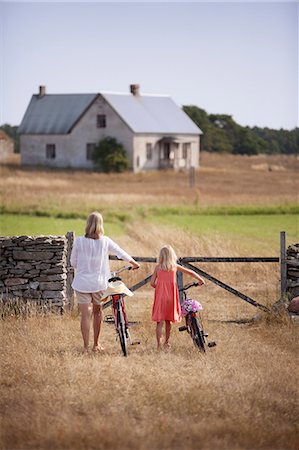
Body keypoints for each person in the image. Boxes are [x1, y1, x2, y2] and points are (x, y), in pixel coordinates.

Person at [70, 211, 139, 353]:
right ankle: (96, 345)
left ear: (88, 224)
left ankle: (85, 347)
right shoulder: (105, 240)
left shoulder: (79, 241)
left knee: (85, 315)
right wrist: (133, 262)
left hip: (82, 283)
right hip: (99, 283)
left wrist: (84, 267)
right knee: (97, 313)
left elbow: (73, 262)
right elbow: (120, 252)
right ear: (100, 224)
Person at [150, 245, 205, 349]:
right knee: (168, 321)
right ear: (172, 255)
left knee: (159, 322)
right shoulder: (174, 267)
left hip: (160, 298)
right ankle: (166, 342)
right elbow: (191, 272)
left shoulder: (158, 268)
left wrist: (160, 287)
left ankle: (158, 345)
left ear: (161, 256)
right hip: (171, 298)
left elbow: (152, 283)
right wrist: (200, 280)